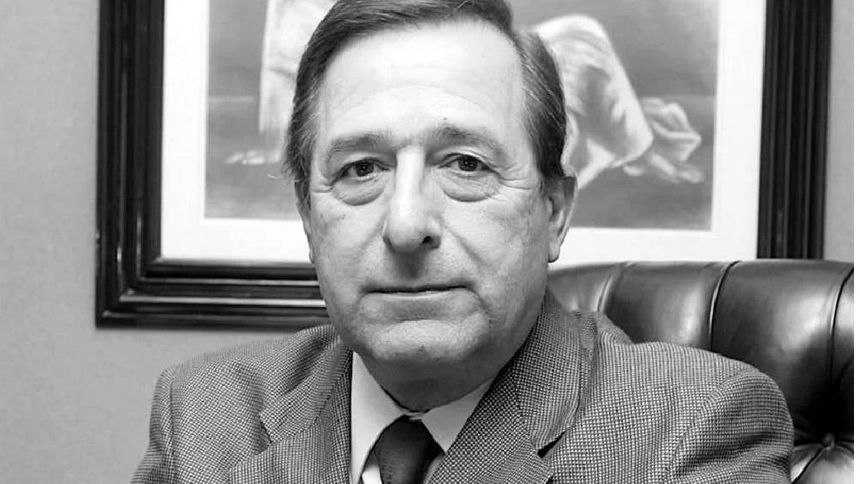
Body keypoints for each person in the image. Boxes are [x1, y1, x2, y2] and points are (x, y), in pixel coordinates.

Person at [133, 0, 793, 482]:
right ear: (308, 217)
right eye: (361, 170)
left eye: (466, 164)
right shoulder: (206, 417)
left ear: (554, 212)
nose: (405, 224)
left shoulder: (691, 429)